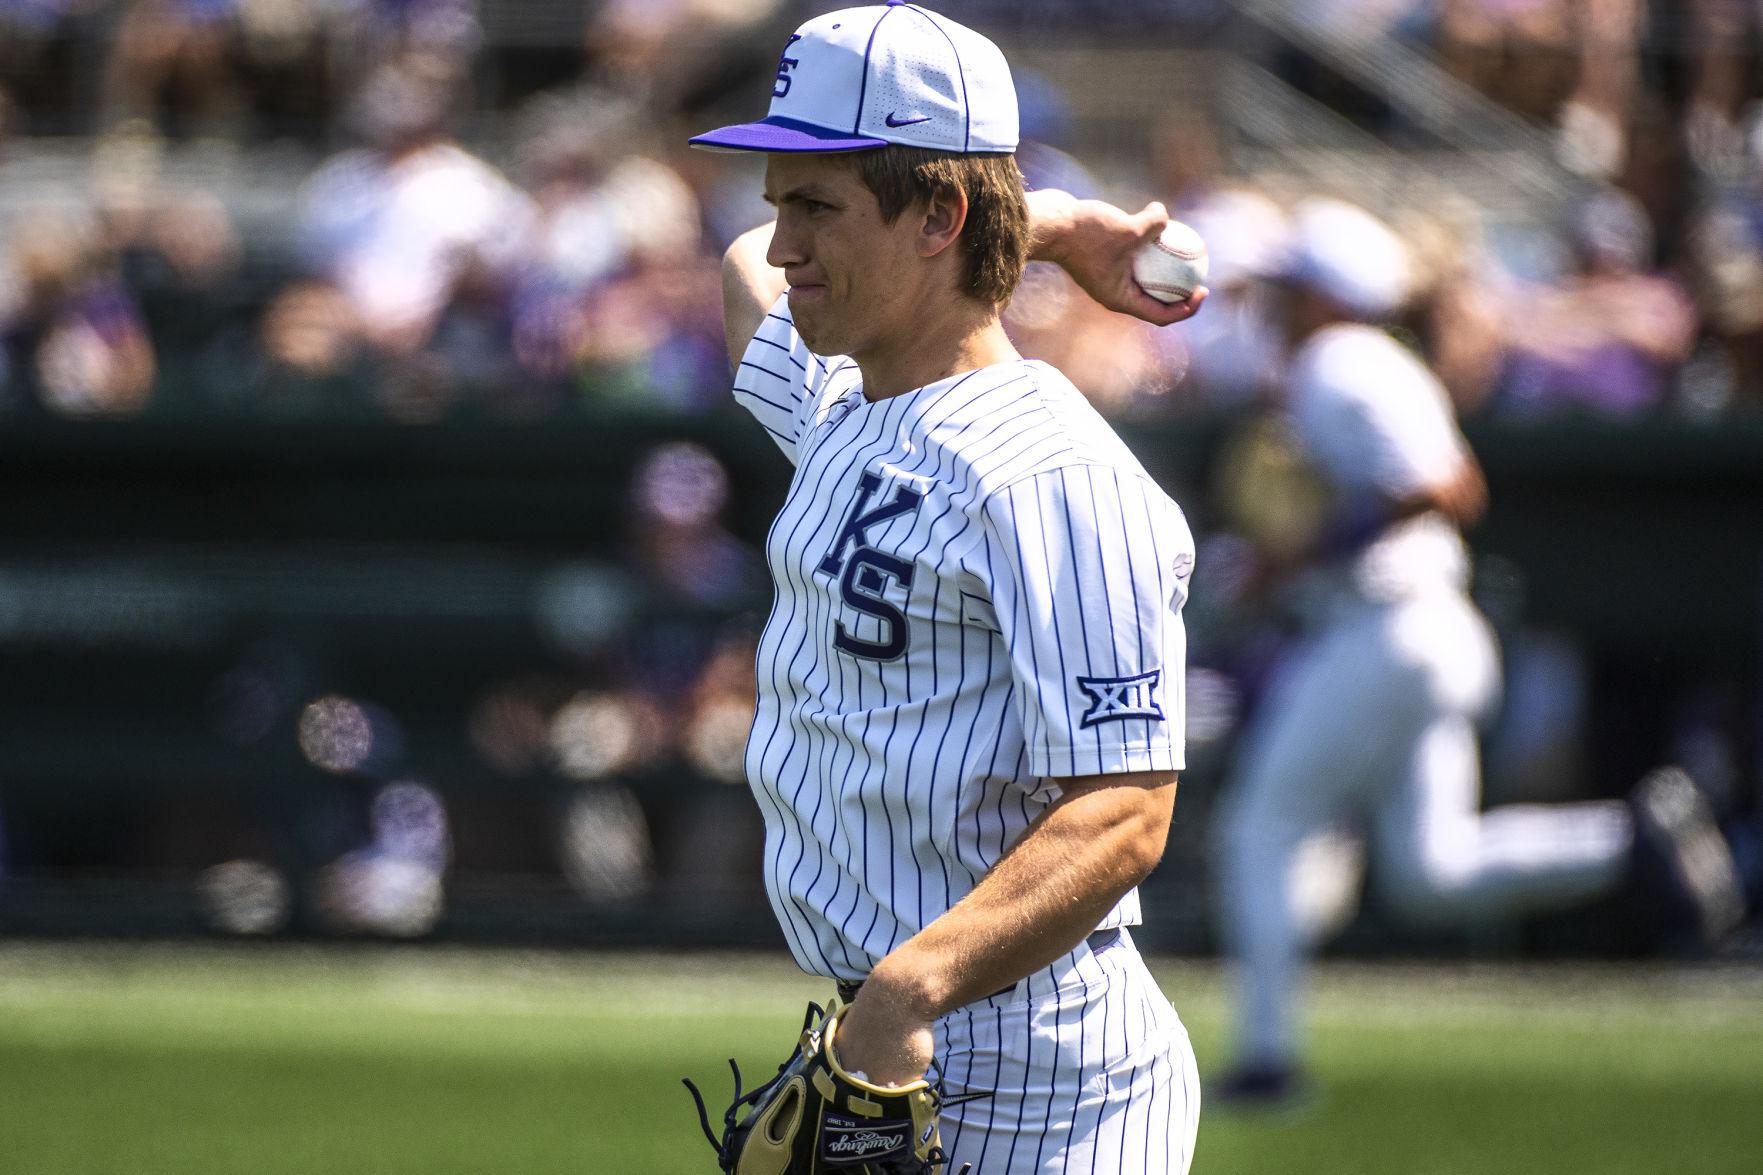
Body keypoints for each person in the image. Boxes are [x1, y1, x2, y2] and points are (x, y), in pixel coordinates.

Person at [690, 3, 1206, 1169]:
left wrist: (904, 988)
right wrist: (1052, 229)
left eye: (814, 206)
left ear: (937, 214)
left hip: (1047, 1084)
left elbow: (1123, 810)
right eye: (778, 203)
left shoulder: (1051, 474)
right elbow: (735, 278)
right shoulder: (844, 404)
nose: (778, 245)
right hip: (897, 1038)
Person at [1209, 197, 1748, 1107]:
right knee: (1432, 868)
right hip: (1426, 629)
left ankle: (1267, 1061)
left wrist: (1296, 554)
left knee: (1258, 828)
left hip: (1385, 628)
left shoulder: (1343, 360)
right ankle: (1632, 836)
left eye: (1290, 286)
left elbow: (1445, 487)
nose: (1274, 303)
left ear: (1325, 295)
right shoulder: (1374, 363)